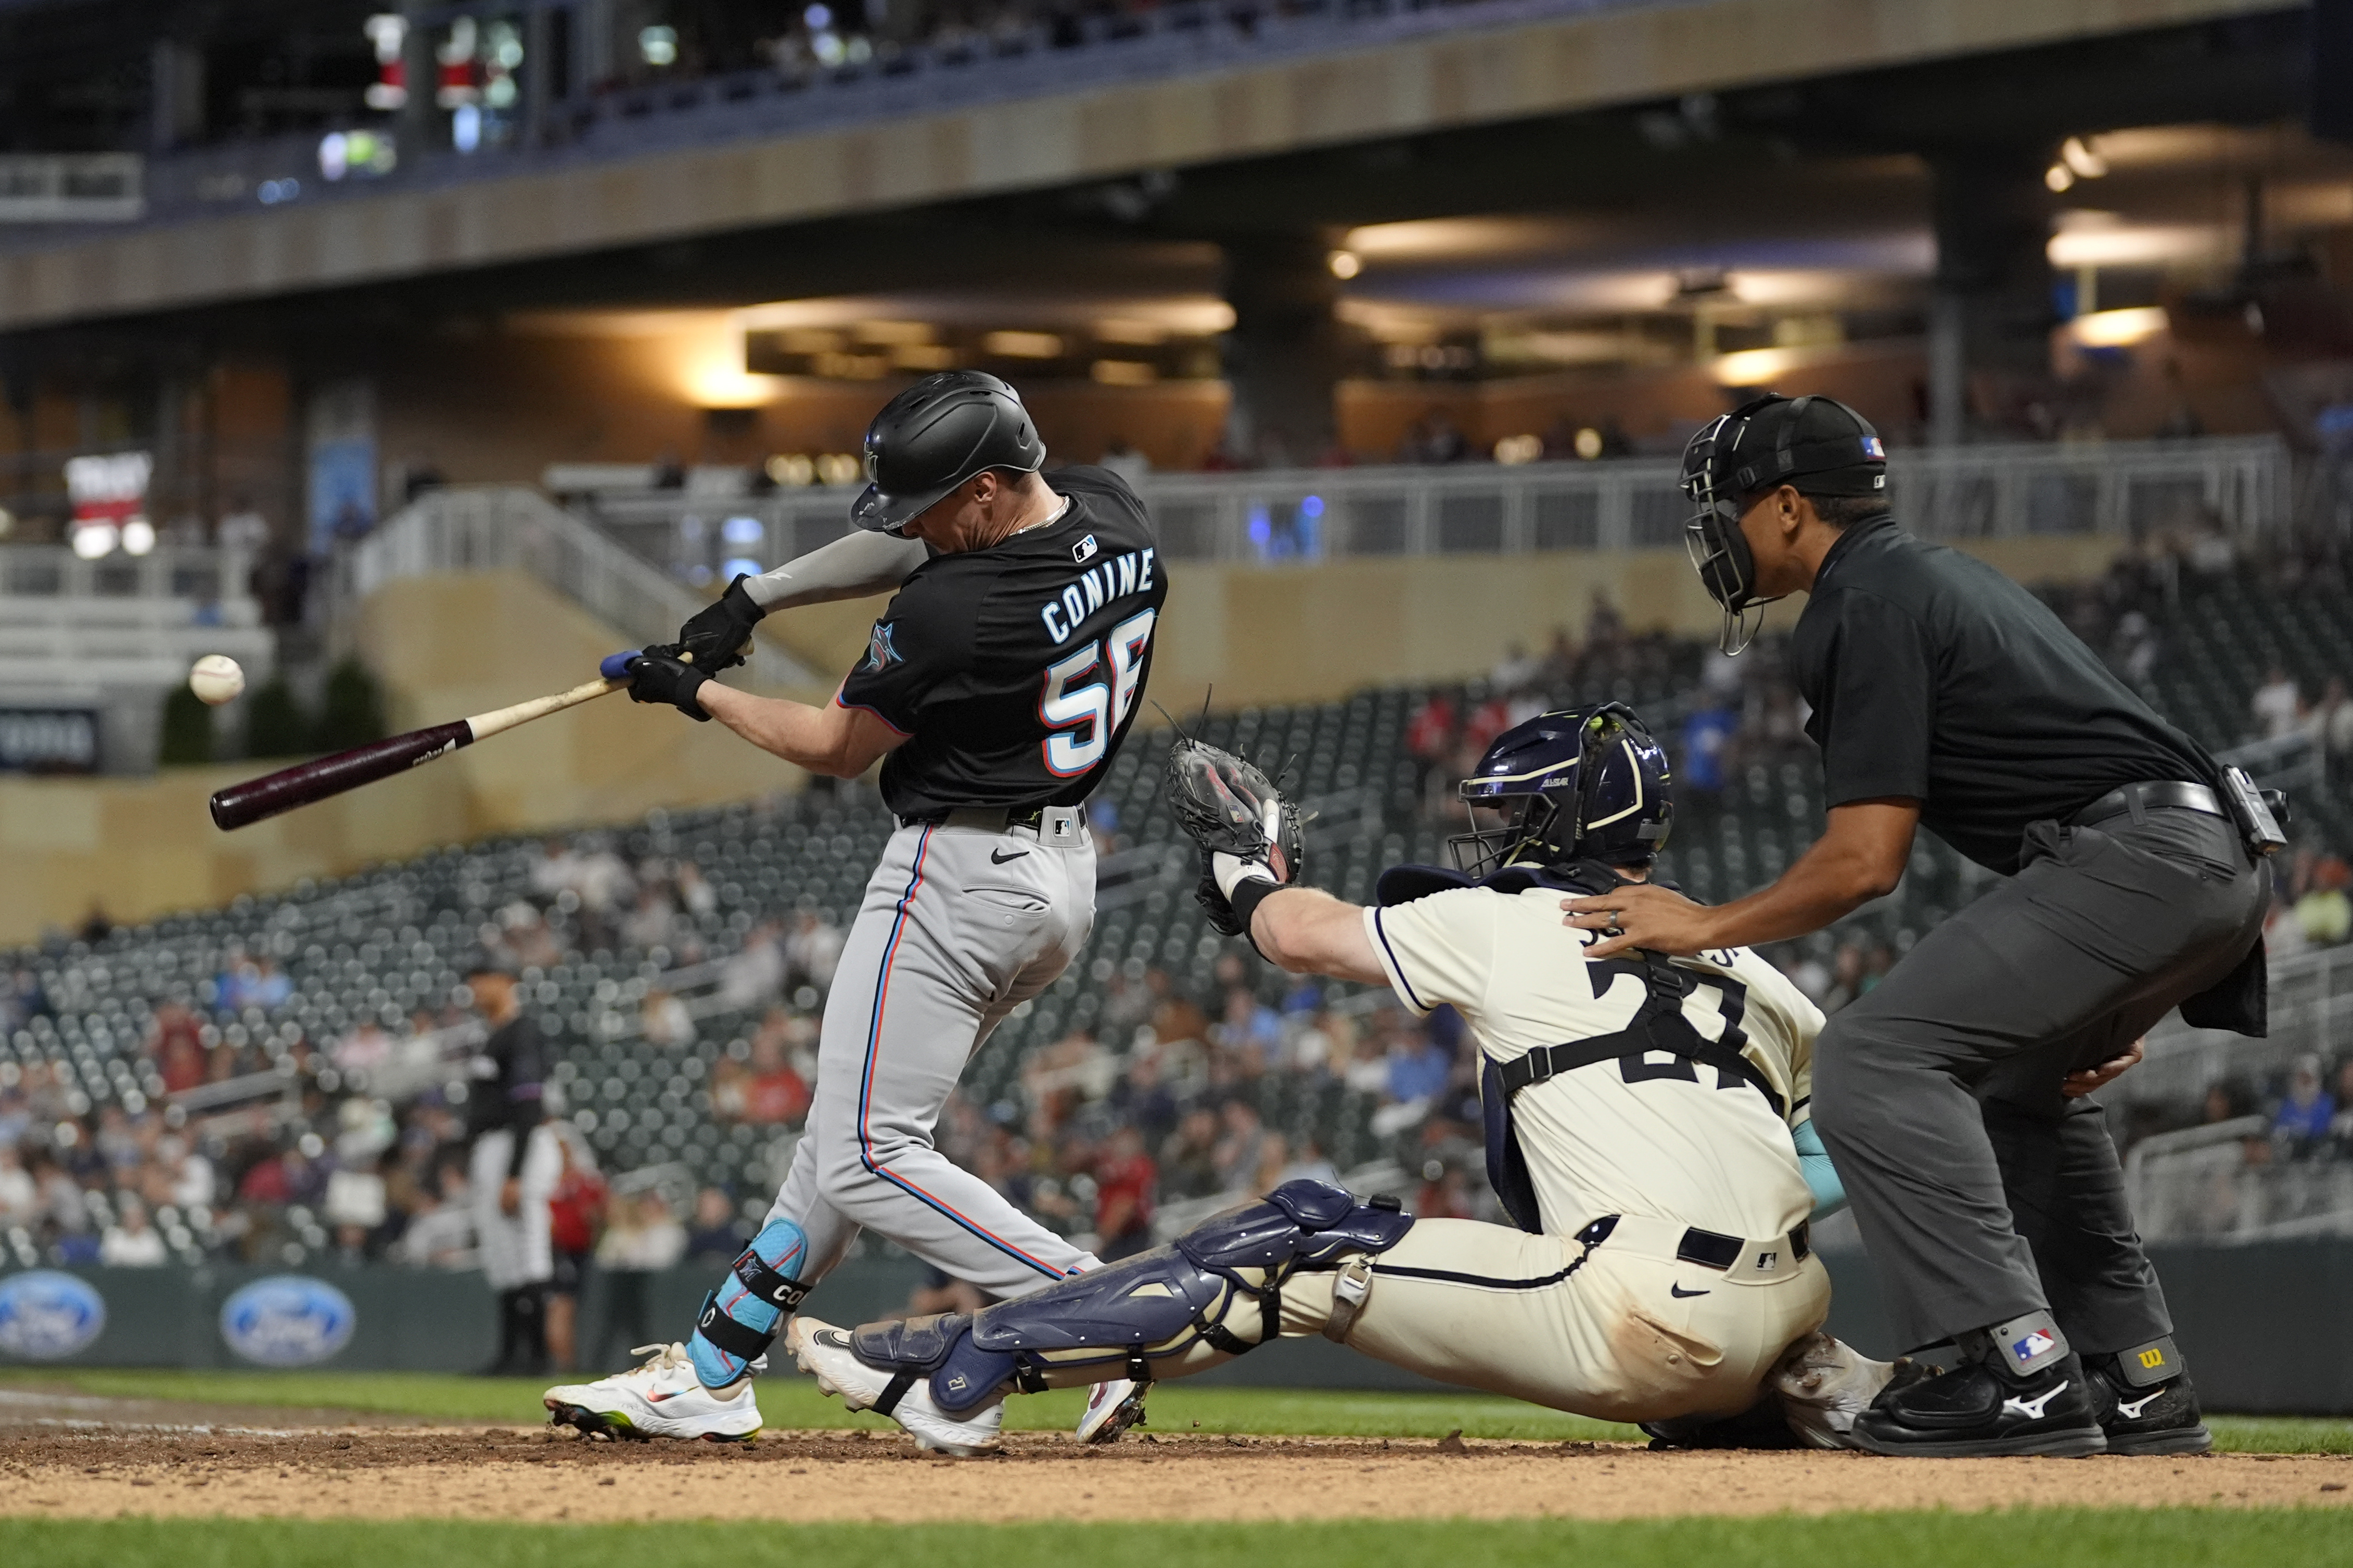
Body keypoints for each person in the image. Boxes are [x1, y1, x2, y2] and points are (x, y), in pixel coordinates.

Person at [786, 706, 1866, 1455]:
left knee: (1298, 1241)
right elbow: (1830, 1159)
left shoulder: (1509, 921)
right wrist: (1734, 1229)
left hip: (1645, 1320)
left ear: (1549, 824)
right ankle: (1778, 1393)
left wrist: (1245, 873)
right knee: (1323, 1235)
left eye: (1504, 816)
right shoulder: (1754, 964)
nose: (1486, 836)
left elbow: (1299, 937)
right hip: (1787, 1322)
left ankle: (959, 1370)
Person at [1568, 394, 2274, 1457]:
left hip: (2136, 859)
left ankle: (2002, 1365)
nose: (1716, 528)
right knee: (2011, 1089)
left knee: (1875, 1054)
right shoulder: (1929, 573)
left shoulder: (1863, 602)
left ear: (1791, 506)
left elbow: (1863, 863)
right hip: (2200, 856)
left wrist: (1699, 922)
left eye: (1731, 504)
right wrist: (2122, 981)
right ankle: (2132, 1377)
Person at [545, 371, 1168, 1446]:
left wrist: (691, 689)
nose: (910, 527)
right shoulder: (1110, 509)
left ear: (983, 491)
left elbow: (834, 748)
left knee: (867, 1153)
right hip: (1057, 877)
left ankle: (1098, 1308)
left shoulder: (953, 610)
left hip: (954, 875)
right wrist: (754, 598)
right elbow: (923, 546)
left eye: (928, 507)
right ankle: (712, 1368)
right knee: (843, 1135)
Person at [465, 961, 561, 1376]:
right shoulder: (494, 1035)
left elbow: (528, 1105)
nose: (474, 989)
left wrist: (516, 1173)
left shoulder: (523, 1032)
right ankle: (510, 1355)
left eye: (482, 980)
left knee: (528, 1247)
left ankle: (538, 1357)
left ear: (508, 983)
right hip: (494, 1146)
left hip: (519, 1143)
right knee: (502, 1254)